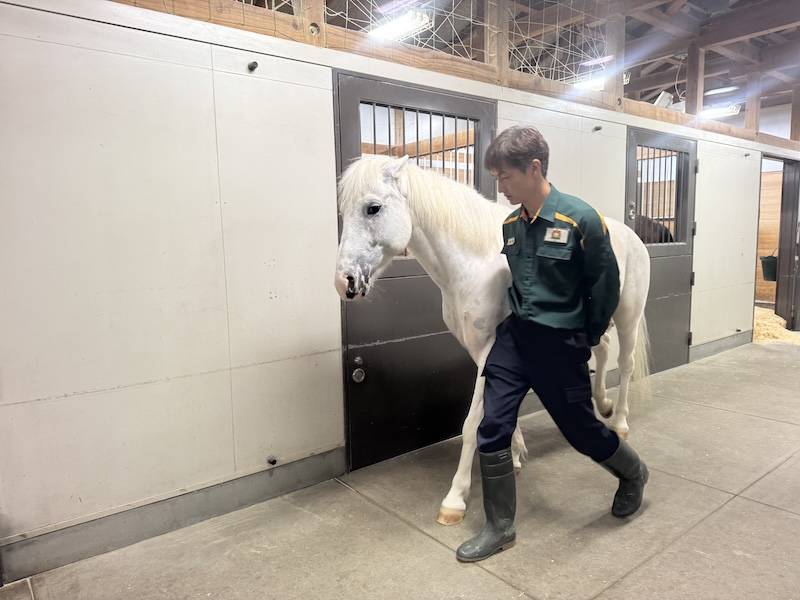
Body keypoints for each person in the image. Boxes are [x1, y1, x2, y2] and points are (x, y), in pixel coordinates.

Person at [456, 125, 649, 563]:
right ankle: (499, 526)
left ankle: (634, 473)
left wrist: (586, 335)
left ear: (534, 168)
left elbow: (605, 286)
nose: (499, 186)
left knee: (582, 433)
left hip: (560, 345)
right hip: (515, 340)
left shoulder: (581, 220)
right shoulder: (511, 226)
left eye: (505, 176)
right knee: (493, 427)